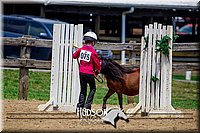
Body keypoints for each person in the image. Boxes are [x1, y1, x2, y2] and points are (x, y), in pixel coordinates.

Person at [73, 31, 101, 113]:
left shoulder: (81, 49)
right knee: (93, 88)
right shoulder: (93, 52)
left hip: (81, 72)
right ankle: (87, 106)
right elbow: (97, 65)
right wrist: (97, 71)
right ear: (93, 42)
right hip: (89, 73)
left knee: (83, 90)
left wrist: (78, 51)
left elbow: (74, 56)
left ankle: (79, 107)